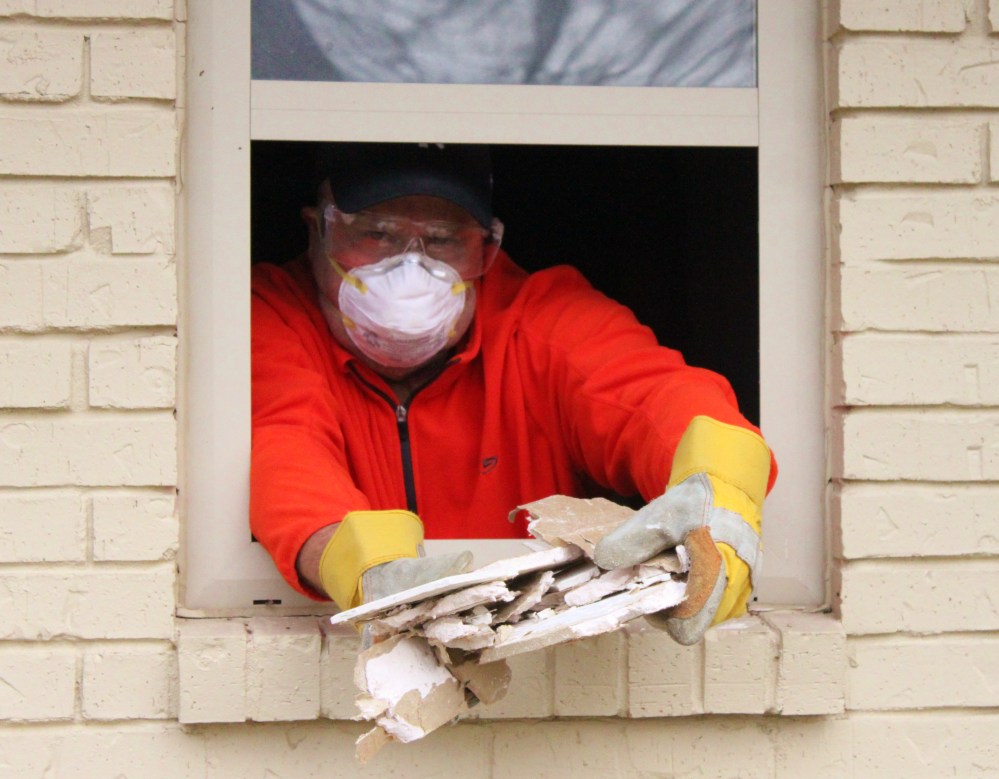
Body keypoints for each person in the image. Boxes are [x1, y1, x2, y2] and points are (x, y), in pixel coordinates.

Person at [250, 142, 776, 644]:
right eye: (377, 234)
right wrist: (356, 562)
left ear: (486, 247)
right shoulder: (268, 314)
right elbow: (285, 444)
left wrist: (720, 492)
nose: (411, 268)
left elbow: (654, 397)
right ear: (317, 231)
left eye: (443, 240)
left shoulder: (541, 316)